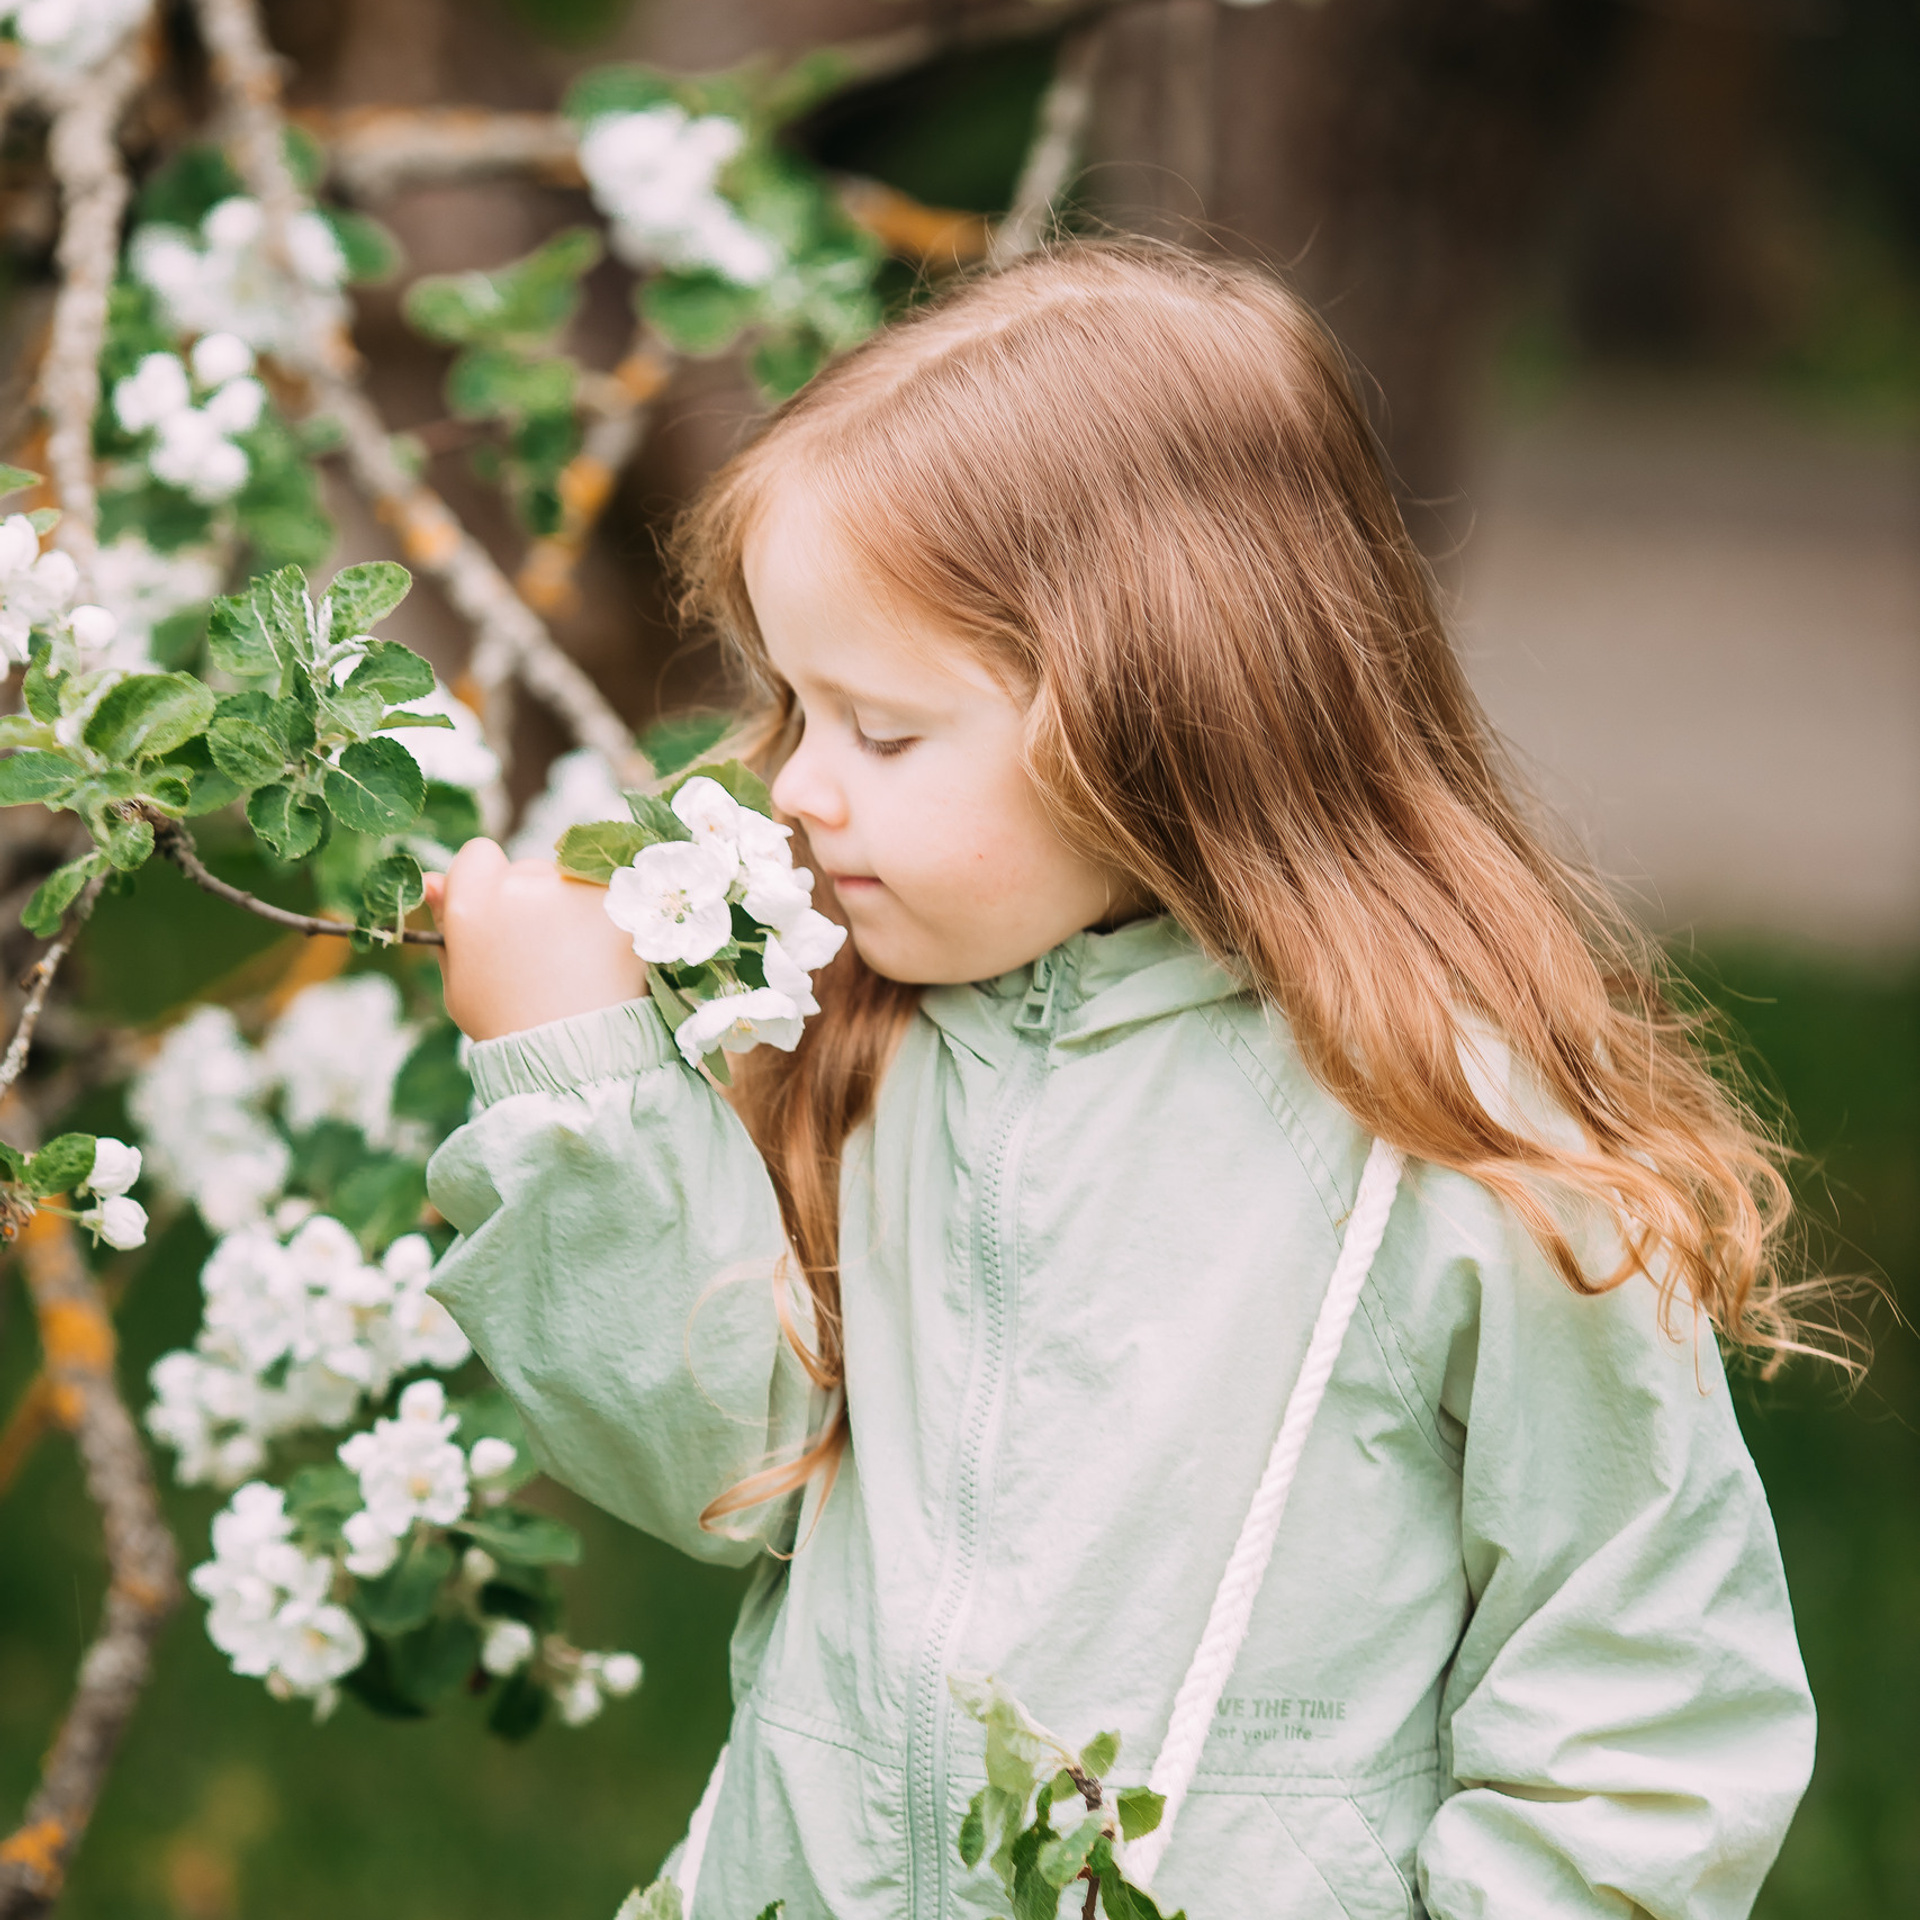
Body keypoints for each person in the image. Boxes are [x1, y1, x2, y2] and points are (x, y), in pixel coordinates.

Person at [422, 242, 1822, 1920]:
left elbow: (1642, 1687)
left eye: (884, 731)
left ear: (1153, 720)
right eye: (792, 705)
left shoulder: (1443, 1140)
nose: (795, 785)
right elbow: (711, 1458)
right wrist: (576, 1083)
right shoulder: (851, 1037)